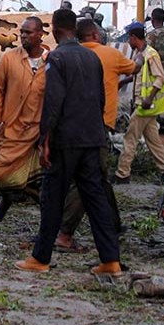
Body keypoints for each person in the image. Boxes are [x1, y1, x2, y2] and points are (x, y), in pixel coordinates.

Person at [15, 9, 122, 277]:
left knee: (52, 199)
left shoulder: (57, 58)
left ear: (53, 29)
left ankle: (40, 258)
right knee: (95, 198)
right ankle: (110, 260)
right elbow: (100, 99)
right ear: (73, 28)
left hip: (66, 140)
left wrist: (45, 140)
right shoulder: (92, 57)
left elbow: (53, 102)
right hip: (93, 138)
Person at [56, 19, 140, 252]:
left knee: (100, 178)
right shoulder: (109, 54)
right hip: (98, 125)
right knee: (89, 178)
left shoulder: (68, 55)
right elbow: (135, 68)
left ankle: (113, 224)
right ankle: (64, 233)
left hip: (71, 123)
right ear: (95, 34)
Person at [0, 16, 48, 223]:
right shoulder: (9, 59)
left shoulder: (51, 62)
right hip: (12, 130)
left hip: (38, 133)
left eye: (28, 32)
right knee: (4, 175)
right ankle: (5, 200)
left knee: (40, 178)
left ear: (40, 34)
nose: (23, 36)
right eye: (21, 32)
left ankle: (48, 217)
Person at [114, 21, 164, 184]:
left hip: (146, 106)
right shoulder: (140, 53)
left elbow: (160, 78)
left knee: (130, 138)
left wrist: (149, 98)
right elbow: (139, 75)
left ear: (133, 37)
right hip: (145, 107)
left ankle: (122, 174)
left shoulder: (150, 55)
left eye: (129, 39)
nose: (128, 43)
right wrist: (124, 82)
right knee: (154, 141)